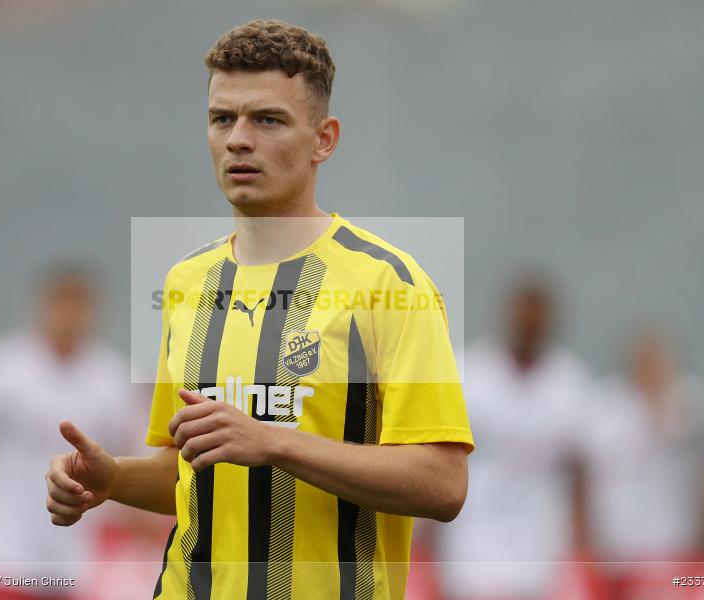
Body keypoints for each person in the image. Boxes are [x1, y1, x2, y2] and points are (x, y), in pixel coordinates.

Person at [45, 19, 473, 600]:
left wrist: (275, 440)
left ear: (324, 139)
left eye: (267, 120)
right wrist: (114, 479)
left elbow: (443, 485)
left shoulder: (389, 283)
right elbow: (190, 472)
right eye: (223, 118)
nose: (238, 140)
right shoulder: (184, 283)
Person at [0, 263, 145, 599]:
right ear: (41, 305)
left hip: (75, 563)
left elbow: (135, 464)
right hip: (0, 550)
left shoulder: (115, 380)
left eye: (79, 303)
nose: (69, 314)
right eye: (61, 301)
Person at [433, 274, 591, 600]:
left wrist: (580, 536)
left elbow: (579, 467)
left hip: (542, 542)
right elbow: (440, 455)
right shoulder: (468, 373)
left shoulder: (570, 382)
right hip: (471, 537)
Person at [581, 327, 704, 567]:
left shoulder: (687, 396)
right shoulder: (605, 402)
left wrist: (656, 392)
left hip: (671, 539)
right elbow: (589, 468)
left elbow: (674, 430)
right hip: (616, 541)